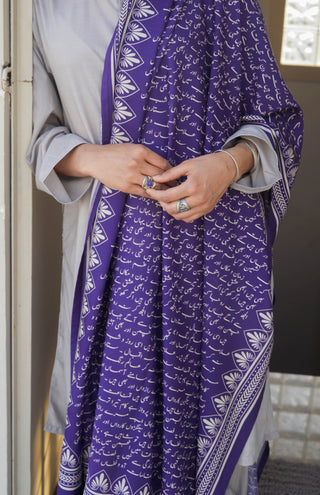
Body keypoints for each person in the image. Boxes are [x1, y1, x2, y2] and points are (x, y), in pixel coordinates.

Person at [27, 0, 303, 493]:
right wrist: (93, 158)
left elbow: (280, 123)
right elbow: (30, 139)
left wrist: (228, 164)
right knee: (117, 424)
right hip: (110, 276)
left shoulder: (227, 5)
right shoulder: (44, 10)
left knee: (202, 425)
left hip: (211, 263)